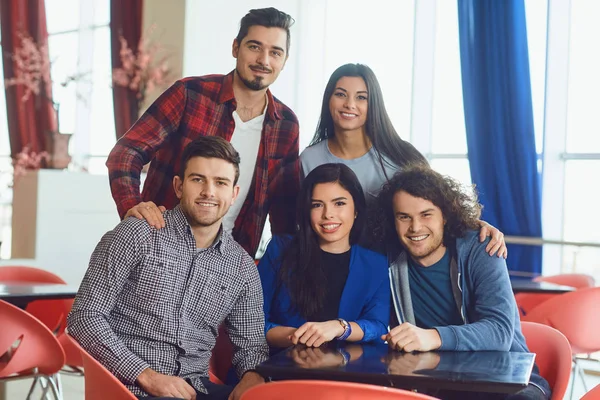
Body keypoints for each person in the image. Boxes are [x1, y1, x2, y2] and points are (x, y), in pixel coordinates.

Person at [68, 137, 268, 400]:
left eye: (220, 183)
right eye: (198, 179)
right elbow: (84, 317)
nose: (209, 192)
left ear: (233, 194)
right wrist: (146, 375)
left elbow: (251, 344)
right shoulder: (137, 234)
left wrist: (252, 376)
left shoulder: (242, 268)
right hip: (127, 387)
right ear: (178, 186)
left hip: (195, 389)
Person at [106, 7, 299, 257]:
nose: (264, 60)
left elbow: (284, 210)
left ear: (284, 61)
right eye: (254, 47)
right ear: (235, 48)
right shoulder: (190, 94)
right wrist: (133, 207)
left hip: (228, 262)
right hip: (160, 247)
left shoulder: (286, 124)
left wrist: (277, 268)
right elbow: (125, 153)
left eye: (275, 52)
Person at [377, 165, 551, 400]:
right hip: (442, 381)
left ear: (445, 215)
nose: (415, 227)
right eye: (404, 217)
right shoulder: (386, 258)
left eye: (426, 214)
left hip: (510, 380)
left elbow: (499, 332)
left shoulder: (482, 247)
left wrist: (432, 336)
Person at [300, 63, 507, 257]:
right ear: (329, 99)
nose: (350, 104)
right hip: (326, 266)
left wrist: (478, 225)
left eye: (361, 97)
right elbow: (299, 224)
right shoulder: (309, 159)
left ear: (374, 105)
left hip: (394, 266)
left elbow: (438, 207)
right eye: (340, 94)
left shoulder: (400, 155)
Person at [258, 163, 390, 353]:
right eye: (317, 205)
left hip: (348, 370)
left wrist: (340, 327)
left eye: (339, 203)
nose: (328, 214)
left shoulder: (375, 263)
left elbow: (377, 326)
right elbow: (251, 320)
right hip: (282, 366)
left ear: (356, 210)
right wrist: (298, 336)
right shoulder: (280, 249)